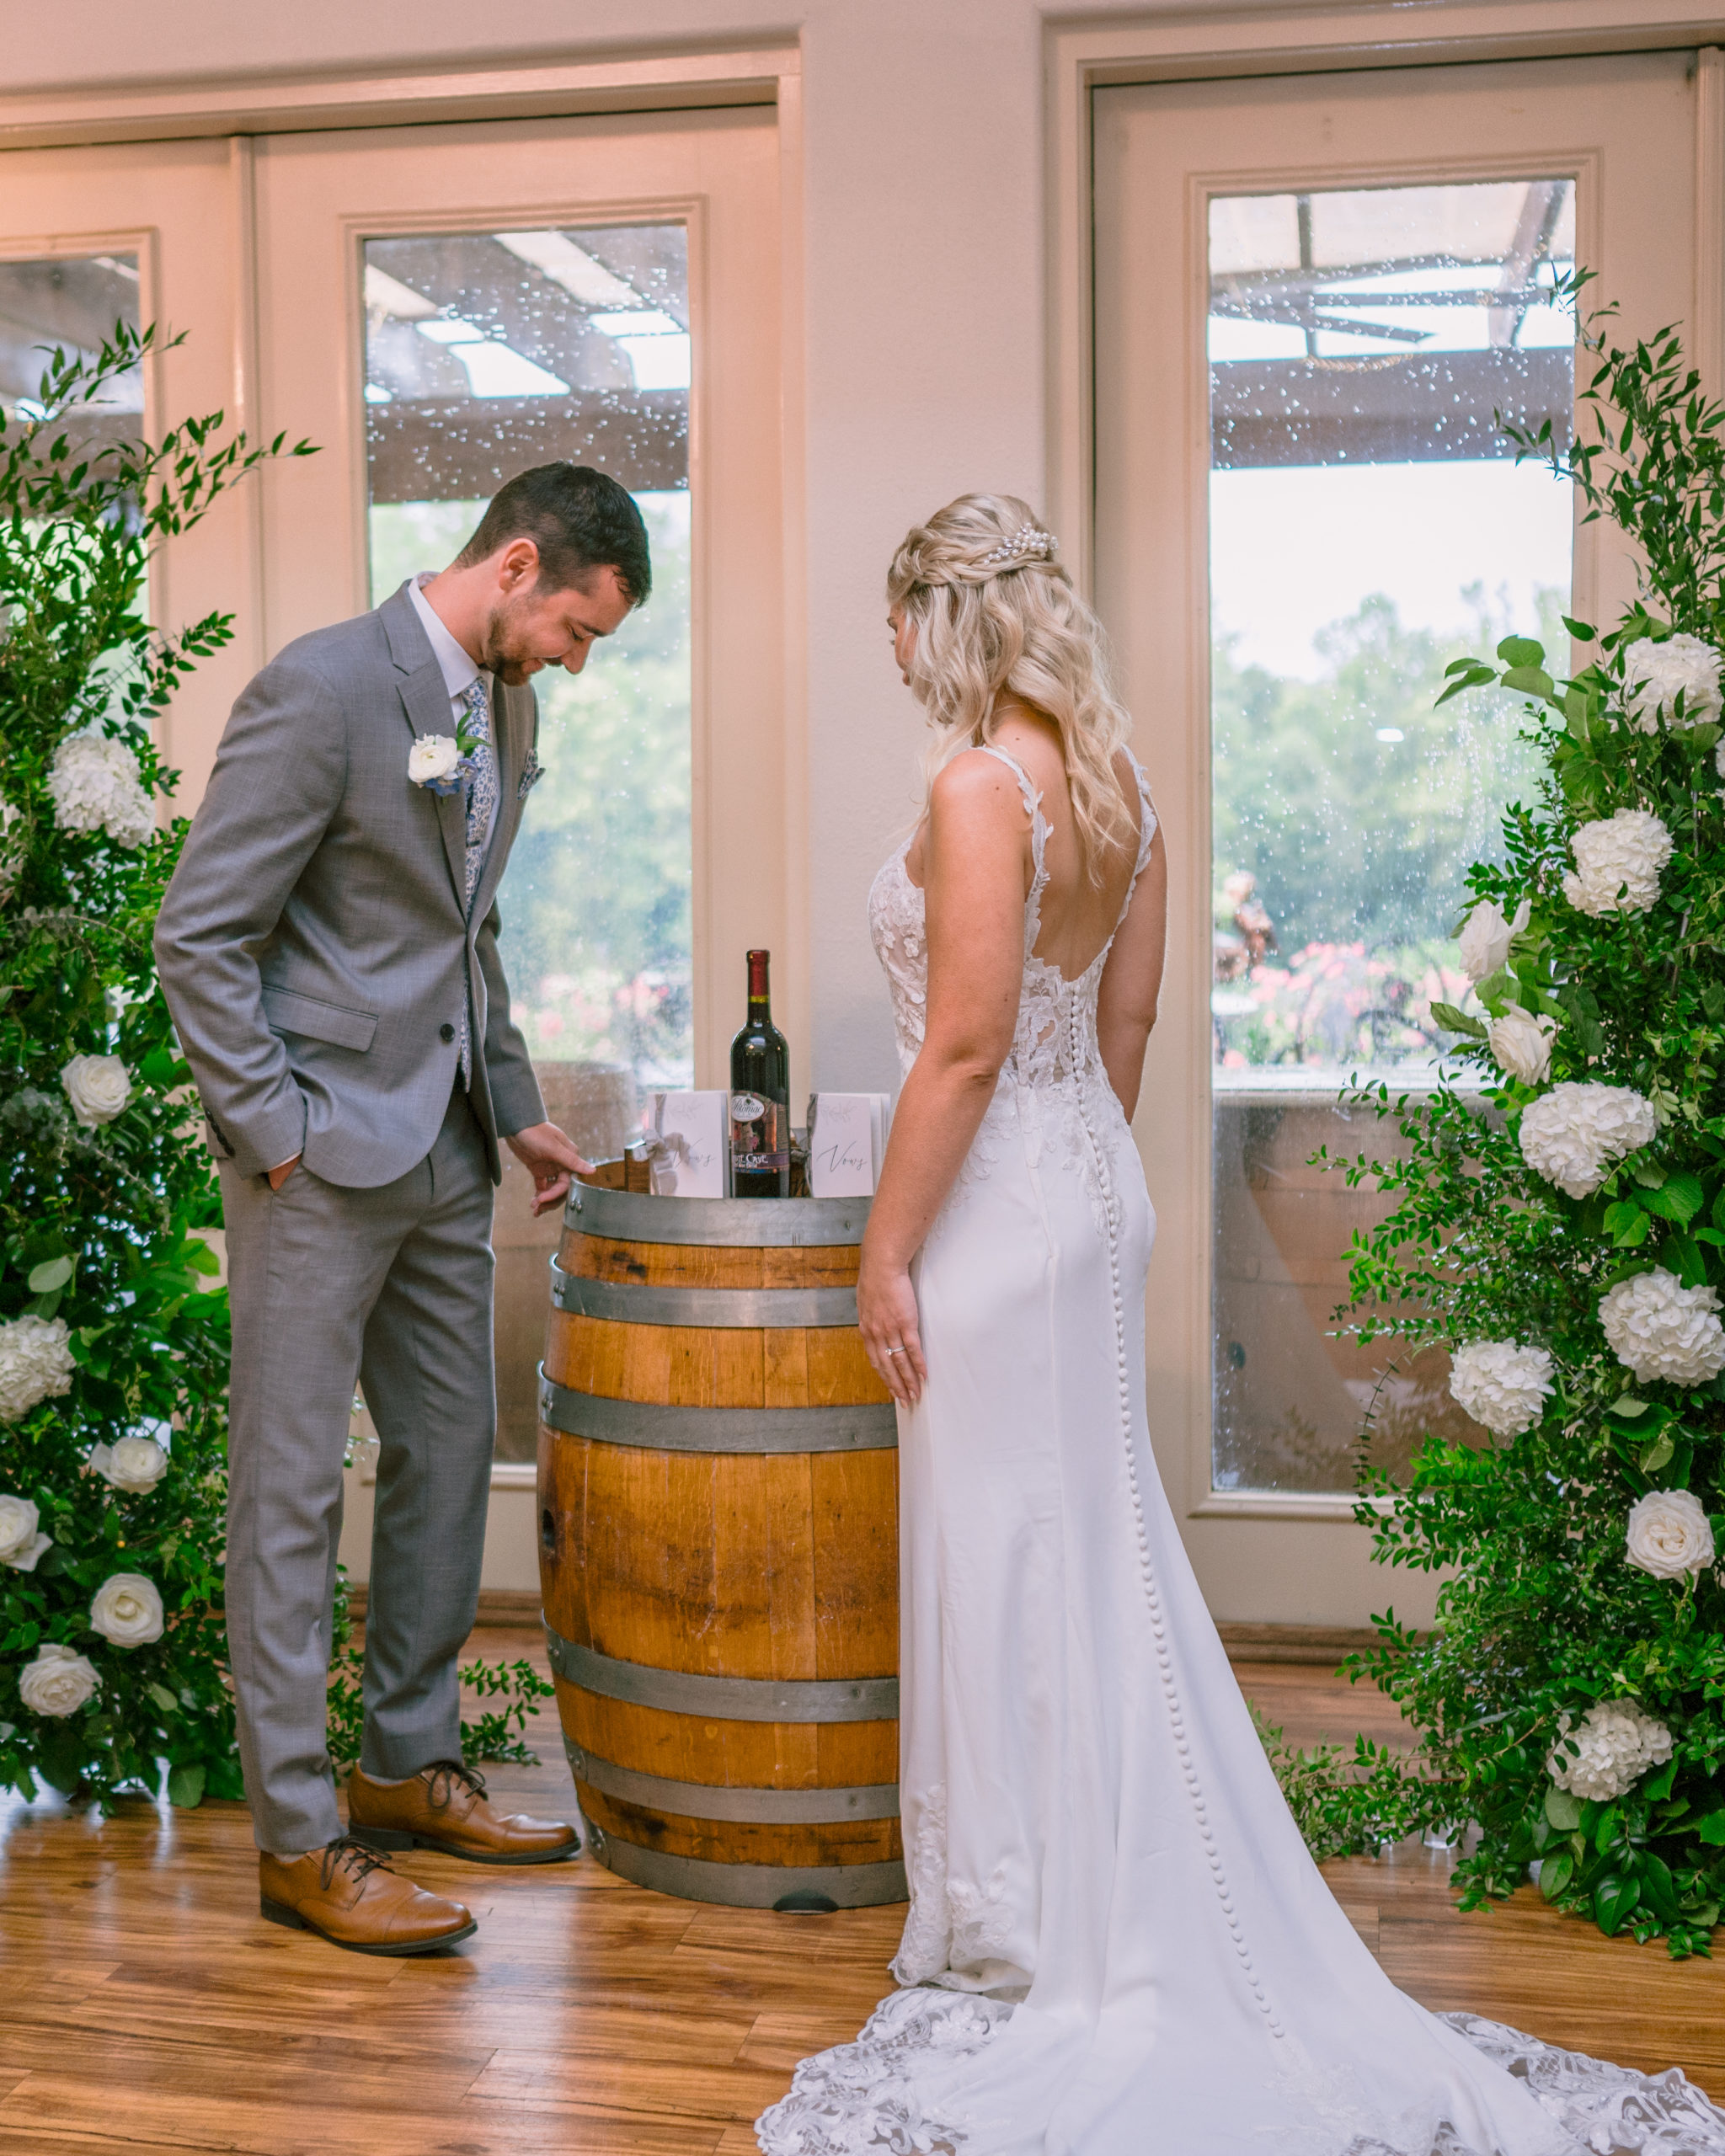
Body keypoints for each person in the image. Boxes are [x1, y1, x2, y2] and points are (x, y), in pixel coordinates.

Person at [755, 496, 1669, 2154]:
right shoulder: (1122, 791)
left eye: (897, 616)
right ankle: (1058, 1882)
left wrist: (886, 1251)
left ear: (952, 617)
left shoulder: (979, 787)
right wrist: (1072, 1175)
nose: (886, 646)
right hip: (1085, 1185)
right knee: (1084, 1537)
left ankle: (1022, 1912)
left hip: (991, 1206)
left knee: (1003, 1543)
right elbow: (1126, 1026)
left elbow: (962, 1046)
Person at [155, 463, 648, 1957]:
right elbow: (200, 936)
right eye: (577, 629)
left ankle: (405, 1767)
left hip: (448, 1146)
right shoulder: (320, 690)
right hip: (316, 1159)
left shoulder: (507, 706)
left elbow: (463, 935)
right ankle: (301, 1841)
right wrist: (276, 1138)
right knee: (292, 1491)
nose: (575, 661)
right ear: (518, 566)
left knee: (449, 1449)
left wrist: (514, 1104)